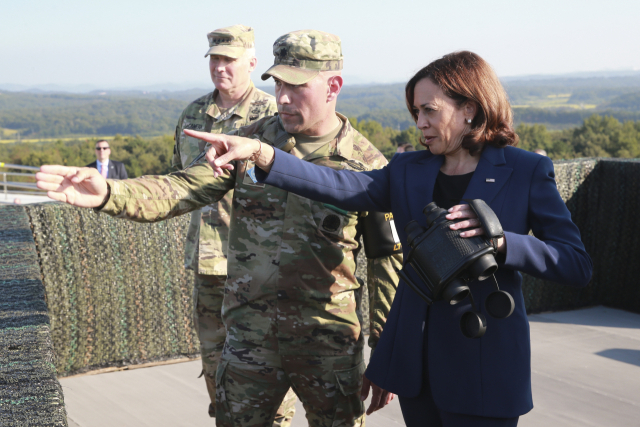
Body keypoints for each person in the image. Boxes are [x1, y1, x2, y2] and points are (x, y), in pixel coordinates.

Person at [180, 51, 593, 427]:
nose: (420, 124)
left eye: (429, 111)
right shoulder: (409, 169)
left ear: (470, 109)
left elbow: (575, 263)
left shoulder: (525, 171)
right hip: (417, 372)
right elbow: (339, 185)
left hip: (484, 368)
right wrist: (261, 153)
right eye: (415, 112)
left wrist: (503, 243)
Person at [36, 29, 402, 427]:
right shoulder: (248, 143)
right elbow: (181, 187)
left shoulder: (368, 165)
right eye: (278, 84)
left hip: (326, 341)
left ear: (333, 86)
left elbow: (387, 263)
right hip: (250, 337)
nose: (282, 98)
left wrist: (387, 351)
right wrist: (109, 191)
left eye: (296, 87)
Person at [171, 24, 291, 422]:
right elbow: (179, 182)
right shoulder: (193, 115)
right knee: (212, 356)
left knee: (263, 358)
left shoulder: (273, 115)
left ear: (252, 64)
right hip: (207, 261)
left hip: (256, 262)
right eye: (215, 59)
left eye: (230, 59)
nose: (221, 67)